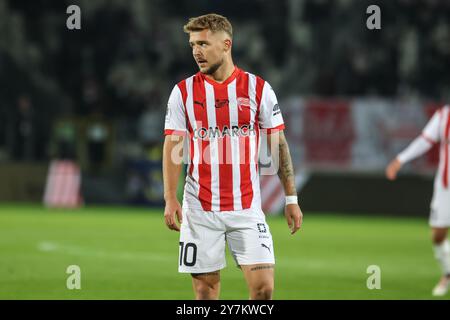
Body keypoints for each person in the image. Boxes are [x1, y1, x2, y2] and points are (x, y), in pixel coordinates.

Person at [162, 13, 303, 300]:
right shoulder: (183, 93)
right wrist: (169, 197)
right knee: (205, 292)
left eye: (203, 43)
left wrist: (291, 199)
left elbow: (278, 145)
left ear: (226, 44)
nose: (196, 52)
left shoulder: (258, 89)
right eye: (192, 45)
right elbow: (173, 146)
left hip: (247, 208)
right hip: (199, 209)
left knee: (264, 289)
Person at [386, 105, 450, 297]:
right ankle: (448, 272)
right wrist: (400, 159)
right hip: (445, 186)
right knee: (438, 235)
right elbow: (425, 140)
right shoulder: (444, 115)